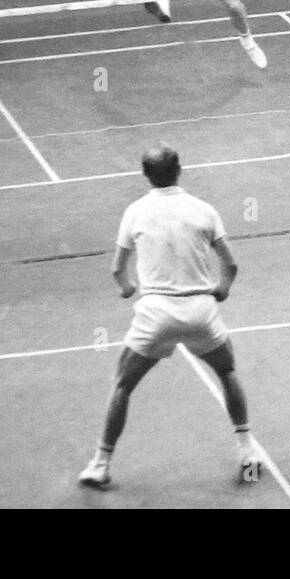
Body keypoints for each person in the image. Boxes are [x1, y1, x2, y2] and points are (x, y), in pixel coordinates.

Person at [78, 145, 261, 488]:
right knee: (227, 371)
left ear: (146, 175)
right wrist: (222, 289)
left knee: (123, 385)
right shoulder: (204, 210)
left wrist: (127, 289)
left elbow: (117, 270)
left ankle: (100, 465)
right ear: (180, 169)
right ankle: (247, 451)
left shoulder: (134, 212)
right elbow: (231, 265)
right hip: (200, 314)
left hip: (155, 317)